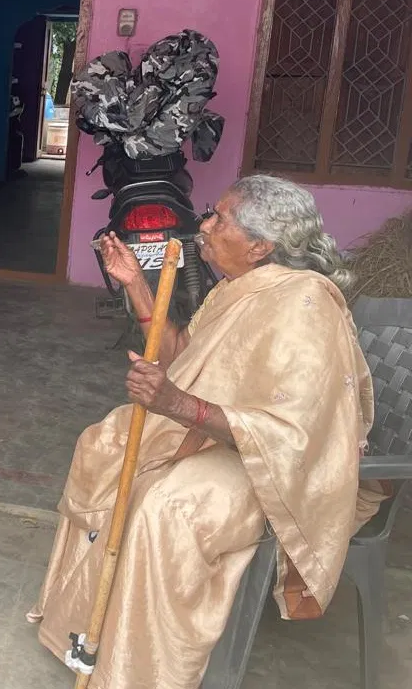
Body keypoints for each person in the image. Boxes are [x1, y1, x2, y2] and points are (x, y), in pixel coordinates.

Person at [27, 175, 389, 688]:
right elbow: (181, 355)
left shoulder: (305, 303)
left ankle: (140, 674)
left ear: (260, 246)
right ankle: (89, 632)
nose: (205, 225)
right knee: (103, 444)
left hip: (272, 471)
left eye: (220, 218)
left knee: (165, 507)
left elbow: (295, 434)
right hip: (220, 438)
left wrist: (176, 404)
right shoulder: (236, 288)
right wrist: (135, 283)